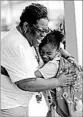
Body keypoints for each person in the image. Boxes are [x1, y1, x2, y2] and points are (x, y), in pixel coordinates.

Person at [1, 3, 74, 117]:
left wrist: (68, 57)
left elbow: (56, 45)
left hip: (19, 103)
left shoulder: (30, 37)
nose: (44, 35)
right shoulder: (16, 45)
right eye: (41, 31)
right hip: (10, 107)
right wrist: (59, 82)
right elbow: (27, 84)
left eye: (46, 30)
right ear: (26, 26)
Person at [35, 30, 82, 117]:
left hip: (58, 108)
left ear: (57, 52)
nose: (44, 56)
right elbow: (67, 55)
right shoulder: (63, 60)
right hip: (70, 104)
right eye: (42, 52)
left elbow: (30, 76)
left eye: (49, 53)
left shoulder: (52, 66)